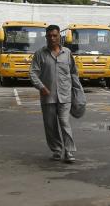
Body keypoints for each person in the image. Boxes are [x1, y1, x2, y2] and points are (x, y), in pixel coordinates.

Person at [29, 24, 82, 163]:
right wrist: (41, 87)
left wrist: (78, 91)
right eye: (49, 36)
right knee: (50, 125)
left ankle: (69, 151)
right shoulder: (40, 54)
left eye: (55, 35)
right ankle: (57, 151)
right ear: (46, 37)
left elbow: (74, 74)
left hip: (65, 96)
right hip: (48, 97)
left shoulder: (67, 53)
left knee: (65, 122)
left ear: (60, 37)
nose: (52, 38)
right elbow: (33, 73)